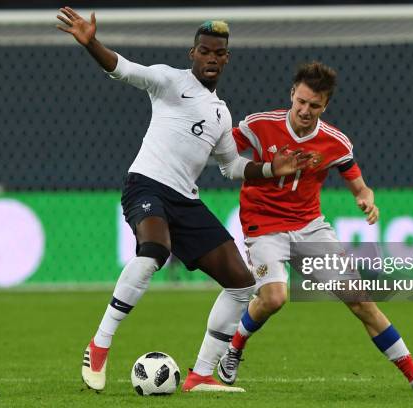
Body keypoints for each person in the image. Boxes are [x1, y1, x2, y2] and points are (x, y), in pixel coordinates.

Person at [56, 7, 310, 393]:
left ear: (226, 58)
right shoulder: (168, 81)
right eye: (204, 51)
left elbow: (231, 167)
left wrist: (273, 168)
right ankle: (99, 345)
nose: (210, 58)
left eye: (217, 53)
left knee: (242, 284)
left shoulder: (222, 114)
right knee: (155, 250)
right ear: (193, 54)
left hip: (185, 199)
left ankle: (202, 375)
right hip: (147, 185)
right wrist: (92, 42)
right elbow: (123, 69)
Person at [185, 61, 413, 392]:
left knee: (360, 301)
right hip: (264, 225)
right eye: (301, 102)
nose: (306, 110)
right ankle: (235, 347)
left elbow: (360, 186)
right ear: (292, 93)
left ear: (325, 105)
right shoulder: (260, 125)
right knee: (274, 297)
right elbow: (220, 150)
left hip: (310, 228)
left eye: (315, 105)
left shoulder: (335, 142)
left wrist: (367, 200)